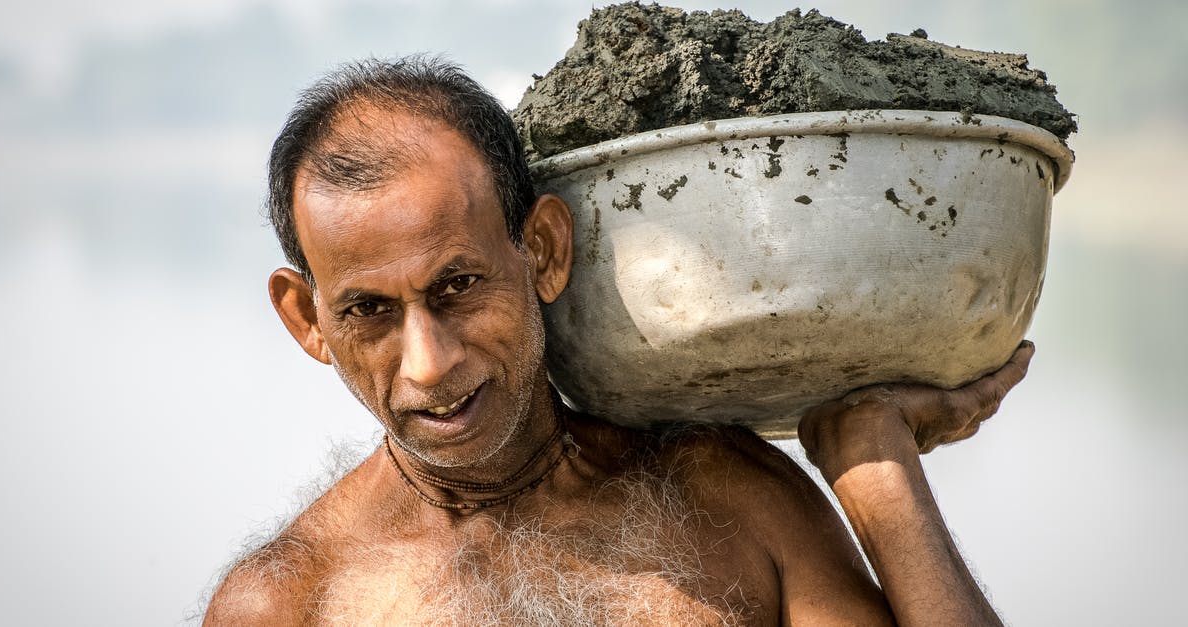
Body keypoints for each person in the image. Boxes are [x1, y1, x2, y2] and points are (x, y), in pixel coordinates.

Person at [204, 56, 1032, 625]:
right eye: (369, 312)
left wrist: (877, 472)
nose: (429, 362)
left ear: (544, 252)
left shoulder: (728, 500)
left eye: (457, 287)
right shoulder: (291, 602)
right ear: (308, 320)